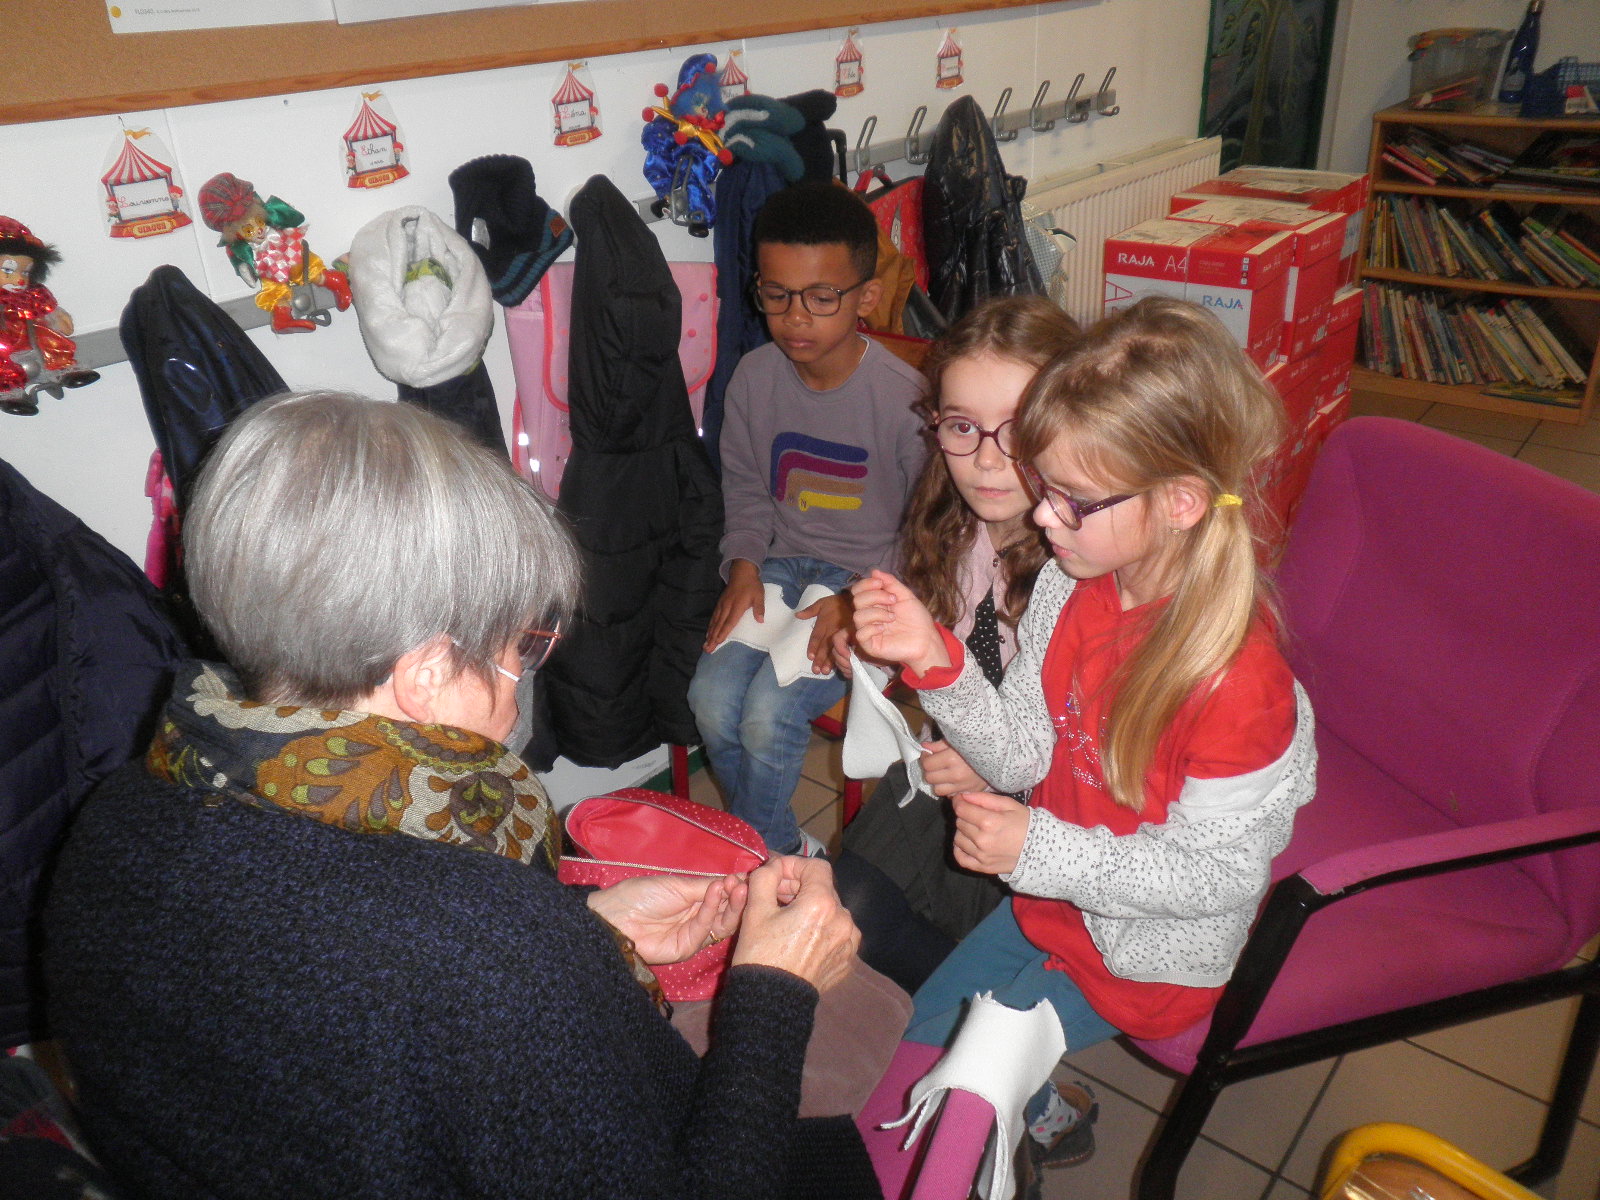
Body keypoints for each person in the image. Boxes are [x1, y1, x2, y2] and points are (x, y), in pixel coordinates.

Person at [44, 391, 881, 1200]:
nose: (526, 674)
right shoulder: (487, 950)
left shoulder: (114, 819)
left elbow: (356, 1023)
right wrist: (774, 990)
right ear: (429, 674)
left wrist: (588, 936)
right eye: (523, 645)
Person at [851, 297, 1318, 1175]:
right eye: (1046, 488)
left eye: (1072, 499)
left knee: (953, 1103)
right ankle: (1031, 1123)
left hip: (1143, 961)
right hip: (1050, 909)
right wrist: (938, 661)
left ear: (1180, 502)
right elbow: (1023, 753)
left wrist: (1039, 846)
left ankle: (1017, 1142)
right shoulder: (1073, 587)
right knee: (916, 1058)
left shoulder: (1236, 686)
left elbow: (1217, 877)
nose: (1042, 518)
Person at [829, 296, 1079, 993]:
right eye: (962, 426)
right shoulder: (954, 521)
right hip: (950, 767)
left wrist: (997, 772)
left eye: (1020, 430)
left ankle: (984, 1018)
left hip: (1046, 807)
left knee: (899, 935)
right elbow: (949, 644)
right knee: (843, 906)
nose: (988, 462)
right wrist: (882, 647)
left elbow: (1098, 754)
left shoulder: (1085, 564)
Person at [688, 181, 925, 856]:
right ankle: (782, 849)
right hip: (779, 566)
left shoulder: (904, 399)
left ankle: (763, 861)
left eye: (821, 297)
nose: (795, 318)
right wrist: (742, 566)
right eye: (776, 294)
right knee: (711, 703)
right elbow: (745, 488)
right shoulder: (753, 377)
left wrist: (860, 602)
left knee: (766, 719)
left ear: (867, 297)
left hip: (868, 582)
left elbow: (927, 532)